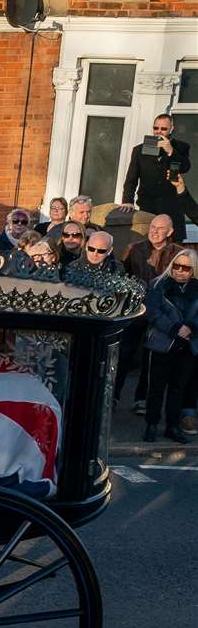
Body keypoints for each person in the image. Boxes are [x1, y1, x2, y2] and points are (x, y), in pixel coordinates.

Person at [122, 214, 180, 409]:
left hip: (161, 313)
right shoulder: (135, 249)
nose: (154, 231)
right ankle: (112, 397)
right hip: (136, 310)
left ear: (170, 232)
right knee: (124, 353)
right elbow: (124, 275)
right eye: (152, 226)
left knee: (151, 358)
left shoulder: (177, 253)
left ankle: (142, 399)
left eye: (160, 228)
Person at [142, 248, 198, 443]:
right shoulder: (158, 284)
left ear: (193, 270)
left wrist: (190, 327)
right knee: (156, 388)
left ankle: (172, 426)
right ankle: (151, 425)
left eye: (186, 268)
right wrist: (175, 328)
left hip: (188, 345)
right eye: (177, 265)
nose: (180, 271)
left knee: (178, 388)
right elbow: (152, 312)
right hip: (163, 343)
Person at [117, 114, 192, 242]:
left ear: (171, 129)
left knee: (172, 247)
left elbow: (185, 167)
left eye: (163, 129)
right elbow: (131, 178)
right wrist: (127, 200)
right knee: (145, 246)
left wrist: (170, 151)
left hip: (172, 207)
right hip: (148, 206)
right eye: (156, 128)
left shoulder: (181, 147)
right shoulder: (139, 150)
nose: (159, 131)